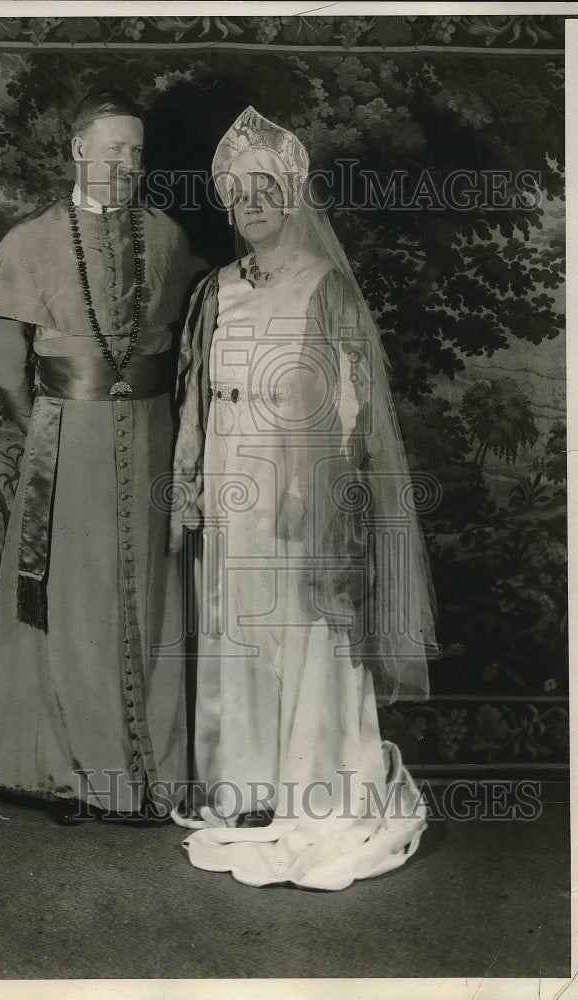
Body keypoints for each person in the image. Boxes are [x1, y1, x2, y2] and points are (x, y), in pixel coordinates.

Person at [169, 107, 439, 887]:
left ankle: (312, 783)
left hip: (295, 481)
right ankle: (244, 785)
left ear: (291, 196)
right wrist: (188, 480)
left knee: (298, 628)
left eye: (265, 189)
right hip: (228, 474)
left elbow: (349, 407)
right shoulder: (213, 291)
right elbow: (193, 395)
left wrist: (311, 487)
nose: (251, 205)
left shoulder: (325, 289)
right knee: (235, 621)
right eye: (237, 194)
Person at [0, 88, 205, 818]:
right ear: (78, 150)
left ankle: (155, 777)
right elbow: (3, 361)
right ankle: (74, 772)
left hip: (157, 435)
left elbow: (190, 347)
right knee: (73, 597)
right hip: (68, 437)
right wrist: (43, 425)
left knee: (154, 593)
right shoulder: (30, 239)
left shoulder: (167, 236)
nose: (126, 164)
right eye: (113, 150)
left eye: (136, 152)